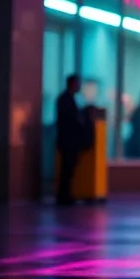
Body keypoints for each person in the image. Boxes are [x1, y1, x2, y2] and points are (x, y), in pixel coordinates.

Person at [54, 74, 89, 205]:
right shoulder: (66, 99)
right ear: (72, 84)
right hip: (68, 141)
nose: (79, 86)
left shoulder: (68, 99)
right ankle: (64, 196)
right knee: (67, 169)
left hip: (68, 141)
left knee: (68, 169)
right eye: (78, 83)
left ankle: (65, 195)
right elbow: (70, 120)